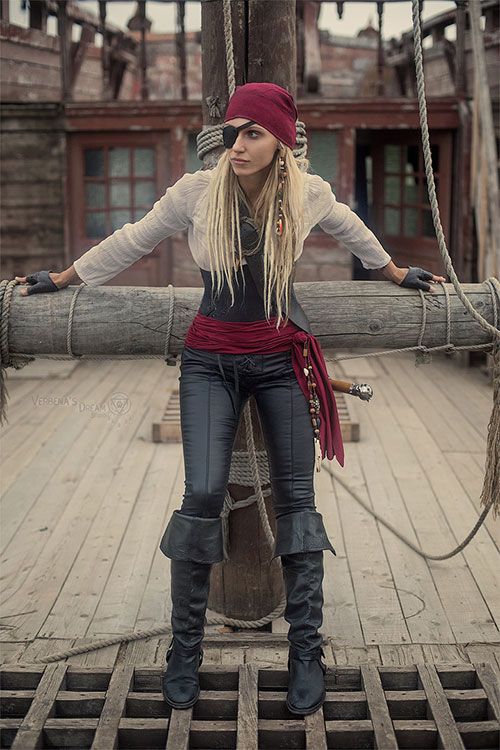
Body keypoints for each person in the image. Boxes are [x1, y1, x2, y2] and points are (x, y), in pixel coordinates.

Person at [15, 82, 445, 715]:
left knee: (298, 499)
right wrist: (60, 277)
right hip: (210, 360)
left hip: (279, 360)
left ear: (279, 142)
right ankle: (183, 652)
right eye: (233, 129)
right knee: (204, 494)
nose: (236, 143)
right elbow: (133, 238)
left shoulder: (307, 193)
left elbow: (357, 234)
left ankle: (305, 652)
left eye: (253, 133)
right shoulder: (196, 192)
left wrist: (397, 272)